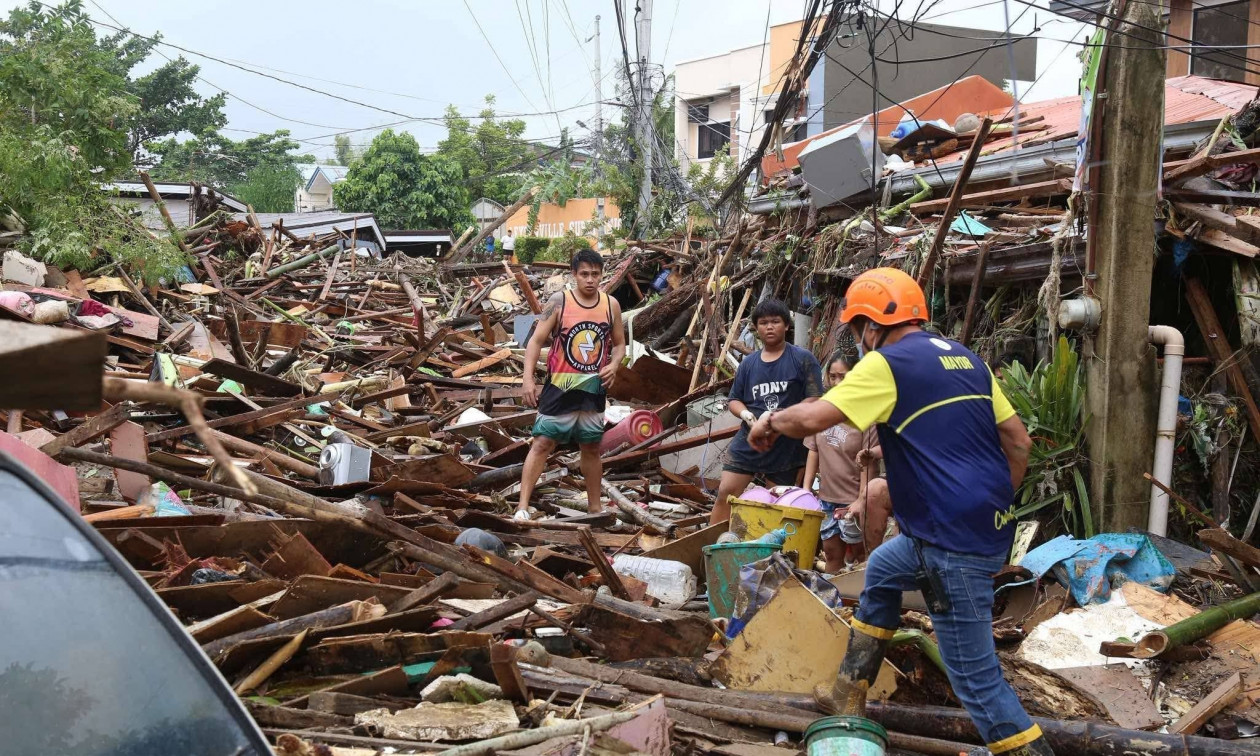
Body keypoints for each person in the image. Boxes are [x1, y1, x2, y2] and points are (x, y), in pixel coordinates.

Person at [746, 268, 1046, 756]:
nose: (861, 340)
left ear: (870, 326)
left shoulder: (888, 363)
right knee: (883, 568)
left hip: (950, 542)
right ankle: (849, 693)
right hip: (975, 528)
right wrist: (991, 504)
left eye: (859, 329)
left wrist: (770, 422)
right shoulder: (969, 361)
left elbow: (816, 417)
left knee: (976, 682)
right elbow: (1019, 442)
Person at [518, 249, 625, 520]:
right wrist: (528, 379)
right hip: (560, 386)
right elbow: (535, 341)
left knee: (590, 447)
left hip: (593, 388)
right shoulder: (559, 302)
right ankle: (522, 506)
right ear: (574, 275)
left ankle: (594, 508)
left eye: (595, 274)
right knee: (542, 442)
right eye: (584, 274)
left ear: (602, 275)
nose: (590, 280)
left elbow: (620, 344)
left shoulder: (610, 304)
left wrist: (614, 365)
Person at [711, 298, 823, 525]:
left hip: (787, 444)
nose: (769, 327)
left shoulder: (803, 359)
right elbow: (734, 400)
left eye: (775, 321)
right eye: (763, 322)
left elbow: (814, 398)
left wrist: (783, 418)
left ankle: (771, 552)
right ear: (756, 327)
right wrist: (746, 415)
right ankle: (711, 543)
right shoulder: (749, 364)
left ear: (787, 326)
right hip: (750, 438)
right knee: (726, 493)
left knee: (779, 503)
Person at [802, 351, 891, 573]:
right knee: (832, 554)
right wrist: (805, 489)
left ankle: (861, 602)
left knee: (861, 556)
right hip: (826, 499)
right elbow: (813, 451)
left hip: (854, 499)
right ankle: (833, 603)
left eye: (844, 376)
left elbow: (868, 460)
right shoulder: (823, 409)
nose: (837, 382)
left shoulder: (867, 413)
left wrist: (862, 500)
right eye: (833, 376)